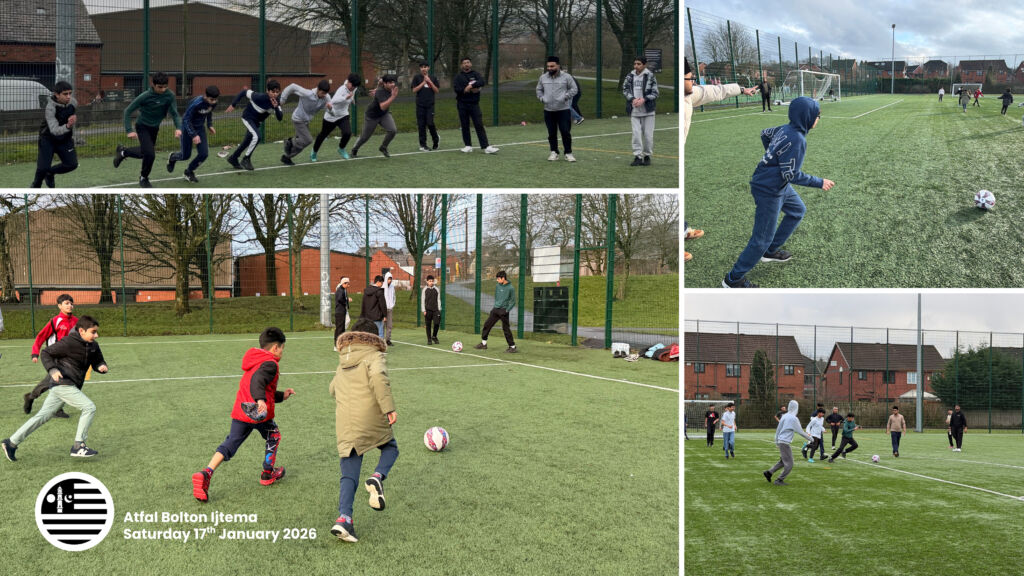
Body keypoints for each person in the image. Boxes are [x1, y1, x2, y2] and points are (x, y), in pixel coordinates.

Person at [722, 97, 836, 288]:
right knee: (761, 239)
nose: (818, 119)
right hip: (769, 189)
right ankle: (733, 279)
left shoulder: (786, 128)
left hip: (777, 184)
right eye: (817, 116)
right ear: (807, 117)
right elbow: (791, 174)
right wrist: (820, 182)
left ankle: (770, 251)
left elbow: (765, 133)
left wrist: (774, 156)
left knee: (797, 210)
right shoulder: (797, 139)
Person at [191, 327, 295, 502]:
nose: (282, 353)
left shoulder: (255, 359)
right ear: (276, 348)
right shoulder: (271, 363)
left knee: (230, 443)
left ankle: (206, 472)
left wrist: (281, 395)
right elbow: (258, 382)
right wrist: (260, 400)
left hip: (242, 410)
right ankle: (267, 473)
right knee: (274, 435)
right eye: (282, 348)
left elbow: (263, 387)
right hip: (257, 412)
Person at [329, 318, 399, 543]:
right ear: (373, 337)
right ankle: (377, 477)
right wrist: (388, 408)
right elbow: (378, 377)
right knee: (390, 447)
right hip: (369, 415)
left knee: (348, 472)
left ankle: (344, 519)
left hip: (344, 421)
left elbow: (332, 388)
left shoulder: (343, 359)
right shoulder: (373, 355)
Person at [2, 316, 108, 462]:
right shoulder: (69, 342)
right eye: (93, 332)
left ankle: (11, 442)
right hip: (63, 384)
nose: (96, 335)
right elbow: (46, 353)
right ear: (82, 331)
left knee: (42, 417)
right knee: (89, 407)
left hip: (68, 386)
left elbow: (98, 360)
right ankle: (79, 445)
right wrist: (52, 370)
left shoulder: (93, 345)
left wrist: (101, 366)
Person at [682, 58, 756, 264]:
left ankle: (683, 229)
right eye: (690, 78)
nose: (693, 83)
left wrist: (741, 89)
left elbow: (714, 91)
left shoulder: (688, 94)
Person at [114, 71, 182, 188]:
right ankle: (143, 177)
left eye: (165, 87)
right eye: (160, 87)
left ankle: (123, 152)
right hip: (142, 126)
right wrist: (129, 130)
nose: (163, 90)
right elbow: (127, 111)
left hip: (154, 128)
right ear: (153, 84)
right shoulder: (145, 96)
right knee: (150, 154)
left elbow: (175, 113)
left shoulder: (169, 95)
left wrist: (178, 128)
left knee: (144, 153)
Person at [23, 293, 78, 418]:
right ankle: (32, 397)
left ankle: (53, 407)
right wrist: (35, 353)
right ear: (59, 306)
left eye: (71, 303)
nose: (70, 306)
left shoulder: (76, 321)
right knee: (54, 381)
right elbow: (41, 336)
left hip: (69, 358)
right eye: (66, 303)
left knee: (65, 382)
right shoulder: (55, 321)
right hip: (55, 356)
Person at [225, 79, 284, 171]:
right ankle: (246, 159)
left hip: (256, 122)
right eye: (273, 92)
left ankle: (233, 158)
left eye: (277, 92)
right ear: (267, 91)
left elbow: (280, 118)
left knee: (247, 141)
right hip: (247, 118)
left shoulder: (276, 101)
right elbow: (244, 92)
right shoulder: (258, 97)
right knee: (257, 136)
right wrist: (233, 104)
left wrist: (276, 107)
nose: (275, 94)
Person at [167, 85, 219, 183]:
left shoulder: (214, 102)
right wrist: (193, 135)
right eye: (211, 99)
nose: (214, 102)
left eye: (215, 100)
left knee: (204, 154)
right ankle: (173, 157)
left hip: (200, 129)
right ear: (206, 96)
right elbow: (186, 119)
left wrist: (209, 125)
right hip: (187, 129)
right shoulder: (196, 103)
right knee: (185, 156)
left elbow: (209, 112)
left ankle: (189, 172)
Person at [31, 81, 79, 188]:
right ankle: (35, 186)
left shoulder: (73, 102)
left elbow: (70, 115)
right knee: (42, 168)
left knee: (72, 164)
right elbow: (54, 129)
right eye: (65, 94)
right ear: (56, 95)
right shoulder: (50, 108)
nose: (68, 97)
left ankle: (50, 173)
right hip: (48, 139)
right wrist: (68, 126)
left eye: (70, 93)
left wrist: (71, 121)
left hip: (65, 139)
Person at [279, 79, 332, 165]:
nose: (324, 95)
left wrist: (330, 109)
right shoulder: (307, 93)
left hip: (306, 121)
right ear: (318, 89)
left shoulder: (326, 97)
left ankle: (287, 158)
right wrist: (282, 100)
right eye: (322, 93)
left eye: (325, 93)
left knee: (303, 143)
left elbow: (331, 113)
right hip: (298, 119)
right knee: (308, 140)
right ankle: (290, 142)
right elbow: (292, 86)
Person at [536, 55, 578, 162]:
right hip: (548, 111)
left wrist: (565, 97)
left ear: (558, 66)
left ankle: (568, 153)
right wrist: (542, 98)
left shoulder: (567, 77)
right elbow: (539, 90)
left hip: (563, 110)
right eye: (548, 66)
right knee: (551, 133)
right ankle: (554, 152)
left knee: (565, 132)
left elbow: (574, 89)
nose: (549, 68)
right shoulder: (543, 77)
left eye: (552, 66)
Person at [453, 57, 499, 154]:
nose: (466, 64)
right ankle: (468, 146)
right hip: (462, 104)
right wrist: (467, 89)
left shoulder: (476, 74)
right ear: (462, 65)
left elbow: (482, 82)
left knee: (479, 124)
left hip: (474, 104)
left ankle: (486, 147)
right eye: (464, 63)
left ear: (471, 64)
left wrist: (472, 86)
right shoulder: (458, 77)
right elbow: (457, 89)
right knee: (465, 125)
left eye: (468, 62)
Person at [763, 400, 812, 486]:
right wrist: (812, 439)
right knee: (790, 463)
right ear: (796, 408)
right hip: (784, 443)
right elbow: (800, 431)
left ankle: (769, 472)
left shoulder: (784, 416)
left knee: (783, 461)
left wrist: (777, 442)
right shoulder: (794, 418)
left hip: (781, 441)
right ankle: (779, 480)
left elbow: (778, 429)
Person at [313, 73, 361, 162]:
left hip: (343, 115)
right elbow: (333, 101)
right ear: (349, 82)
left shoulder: (354, 87)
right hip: (331, 116)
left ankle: (341, 149)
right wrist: (345, 98)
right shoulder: (341, 90)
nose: (353, 88)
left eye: (355, 87)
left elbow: (352, 93)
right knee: (323, 135)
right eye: (352, 86)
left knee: (347, 133)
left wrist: (352, 100)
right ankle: (314, 152)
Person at [623, 55, 659, 167]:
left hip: (648, 111)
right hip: (634, 111)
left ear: (644, 64)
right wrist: (633, 99)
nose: (636, 66)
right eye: (635, 64)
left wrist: (644, 99)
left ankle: (647, 156)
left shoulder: (650, 76)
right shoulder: (630, 76)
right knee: (636, 134)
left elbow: (655, 93)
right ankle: (638, 156)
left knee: (648, 136)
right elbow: (625, 89)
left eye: (638, 64)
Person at [351, 74, 398, 159]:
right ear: (385, 83)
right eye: (390, 83)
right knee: (365, 137)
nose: (392, 84)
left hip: (384, 114)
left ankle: (383, 147)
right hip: (372, 116)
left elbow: (380, 81)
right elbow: (383, 106)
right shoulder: (380, 92)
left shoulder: (388, 87)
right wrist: (393, 96)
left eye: (393, 82)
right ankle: (355, 149)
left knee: (393, 130)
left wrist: (380, 82)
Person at [473, 270, 517, 353]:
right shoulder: (498, 286)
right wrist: (495, 306)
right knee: (487, 325)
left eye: (498, 279)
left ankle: (512, 347)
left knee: (506, 329)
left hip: (504, 311)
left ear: (503, 278)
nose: (497, 280)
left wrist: (506, 310)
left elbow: (513, 301)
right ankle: (483, 344)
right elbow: (497, 297)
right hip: (495, 310)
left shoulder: (511, 288)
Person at [411, 62, 441, 151]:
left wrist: (430, 82)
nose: (423, 69)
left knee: (430, 123)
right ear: (420, 69)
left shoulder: (433, 78)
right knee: (421, 125)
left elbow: (436, 90)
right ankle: (423, 145)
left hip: (430, 105)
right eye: (422, 67)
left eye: (425, 67)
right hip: (420, 105)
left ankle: (436, 139)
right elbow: (414, 90)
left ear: (428, 68)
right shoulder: (417, 78)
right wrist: (424, 82)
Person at [360, 275, 388, 339]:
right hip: (377, 316)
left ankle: (370, 347)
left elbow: (364, 303)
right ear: (378, 282)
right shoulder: (379, 291)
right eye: (381, 283)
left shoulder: (367, 291)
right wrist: (385, 315)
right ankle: (380, 348)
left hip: (367, 316)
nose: (382, 284)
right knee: (380, 333)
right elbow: (382, 305)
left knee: (369, 333)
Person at [334, 277, 353, 350]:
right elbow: (339, 299)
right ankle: (336, 345)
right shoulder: (340, 290)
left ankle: (341, 344)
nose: (349, 285)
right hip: (339, 312)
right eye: (348, 284)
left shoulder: (343, 290)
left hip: (342, 311)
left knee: (342, 329)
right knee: (339, 329)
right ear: (344, 283)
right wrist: (346, 301)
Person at [422, 275, 441, 345]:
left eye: (432, 281)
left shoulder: (436, 289)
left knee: (437, 323)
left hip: (435, 310)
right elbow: (423, 301)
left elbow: (438, 300)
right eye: (430, 281)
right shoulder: (424, 290)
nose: (431, 282)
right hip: (428, 310)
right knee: (428, 325)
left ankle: (434, 336)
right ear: (427, 281)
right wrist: (424, 310)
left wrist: (439, 309)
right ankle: (429, 339)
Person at [382, 271, 396, 346]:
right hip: (383, 309)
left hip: (390, 309)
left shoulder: (392, 287)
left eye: (391, 279)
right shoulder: (382, 287)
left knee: (389, 325)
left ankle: (388, 340)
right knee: (382, 325)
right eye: (388, 279)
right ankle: (381, 340)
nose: (389, 281)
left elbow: (394, 296)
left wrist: (392, 304)